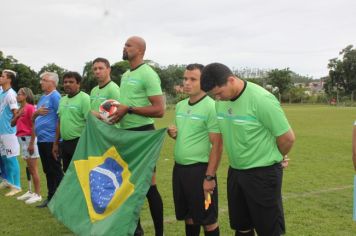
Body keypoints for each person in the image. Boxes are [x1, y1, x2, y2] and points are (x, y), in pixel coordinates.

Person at [200, 63, 295, 236]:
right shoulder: (220, 102)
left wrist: (276, 156)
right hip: (236, 173)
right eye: (214, 96)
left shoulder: (261, 99)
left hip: (263, 174)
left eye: (219, 93)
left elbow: (287, 138)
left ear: (231, 80)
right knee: (242, 226)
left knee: (269, 230)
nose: (218, 99)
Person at [110, 36, 165, 236]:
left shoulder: (148, 74)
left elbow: (159, 110)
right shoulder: (125, 75)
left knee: (149, 186)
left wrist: (129, 109)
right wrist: (116, 114)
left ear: (140, 50)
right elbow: (125, 107)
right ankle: (136, 230)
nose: (124, 47)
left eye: (128, 45)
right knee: (128, 186)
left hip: (143, 135)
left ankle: (160, 232)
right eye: (124, 44)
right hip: (126, 135)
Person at [167, 64, 223, 236]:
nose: (187, 83)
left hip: (200, 172)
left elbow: (217, 145)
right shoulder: (180, 106)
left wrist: (209, 177)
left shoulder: (211, 107)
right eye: (185, 78)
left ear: (203, 81)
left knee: (208, 220)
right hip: (180, 170)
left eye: (193, 79)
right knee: (189, 217)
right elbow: (187, 136)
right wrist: (175, 134)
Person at [33, 72, 63, 208]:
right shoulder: (42, 98)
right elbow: (34, 117)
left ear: (52, 83)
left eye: (44, 80)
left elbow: (61, 118)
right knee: (47, 170)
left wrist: (56, 142)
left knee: (55, 170)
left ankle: (64, 199)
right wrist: (37, 113)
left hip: (51, 140)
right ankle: (51, 197)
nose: (41, 82)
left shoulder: (55, 97)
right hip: (42, 140)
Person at [52, 72, 91, 172]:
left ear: (78, 84)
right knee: (68, 173)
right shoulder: (62, 100)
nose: (67, 84)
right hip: (65, 143)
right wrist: (55, 143)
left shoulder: (84, 98)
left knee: (80, 174)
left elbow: (90, 123)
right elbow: (60, 121)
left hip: (79, 142)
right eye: (65, 82)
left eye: (71, 82)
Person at [11, 87, 42, 204]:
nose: (17, 96)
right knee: (29, 167)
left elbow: (34, 126)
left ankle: (38, 194)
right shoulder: (20, 109)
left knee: (34, 169)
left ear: (26, 96)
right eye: (17, 94)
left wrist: (31, 143)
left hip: (29, 139)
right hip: (21, 140)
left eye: (20, 94)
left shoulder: (29, 108)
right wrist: (18, 115)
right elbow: (12, 123)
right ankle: (30, 191)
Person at [0, 69, 21, 196]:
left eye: (2, 76)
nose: (0, 78)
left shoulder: (11, 94)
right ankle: (8, 181)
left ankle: (17, 186)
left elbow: (16, 113)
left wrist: (12, 127)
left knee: (11, 158)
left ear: (9, 79)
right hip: (1, 132)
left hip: (9, 132)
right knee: (5, 158)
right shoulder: (2, 93)